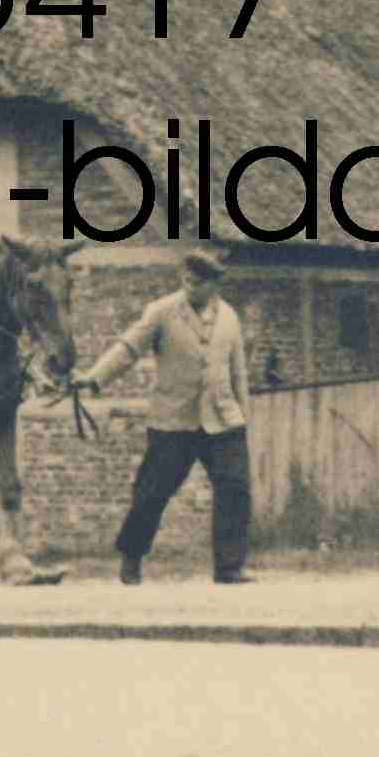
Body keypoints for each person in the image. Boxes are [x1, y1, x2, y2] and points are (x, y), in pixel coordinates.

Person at [73, 249, 253, 585]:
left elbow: (238, 371)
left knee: (235, 488)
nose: (190, 288)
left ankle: (229, 567)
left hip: (223, 418)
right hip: (173, 420)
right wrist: (94, 378)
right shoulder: (162, 311)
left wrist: (244, 416)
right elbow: (128, 348)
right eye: (186, 281)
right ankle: (131, 558)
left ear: (213, 285)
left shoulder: (230, 317)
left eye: (197, 283)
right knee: (151, 493)